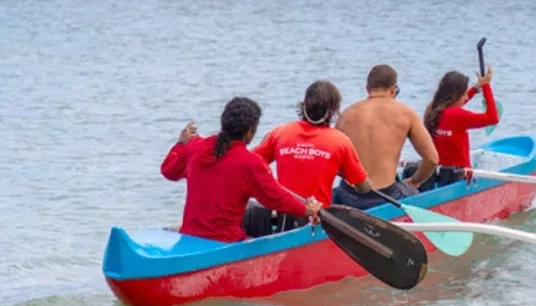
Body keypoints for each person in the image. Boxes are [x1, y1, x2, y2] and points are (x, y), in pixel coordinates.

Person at [160, 97, 322, 243]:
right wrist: (307, 209)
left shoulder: (195, 147)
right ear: (250, 132)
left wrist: (181, 143)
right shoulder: (251, 162)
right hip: (226, 241)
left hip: (190, 236)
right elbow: (276, 198)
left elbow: (168, 171)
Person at [249, 80, 373, 233]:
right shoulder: (341, 142)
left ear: (305, 105)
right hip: (317, 221)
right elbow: (364, 188)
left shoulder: (280, 132)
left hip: (284, 218)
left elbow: (250, 164)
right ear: (333, 110)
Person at [333, 64, 439, 209]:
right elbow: (432, 159)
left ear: (367, 89)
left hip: (349, 195)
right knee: (412, 190)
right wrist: (414, 182)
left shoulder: (346, 114)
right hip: (385, 196)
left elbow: (333, 160)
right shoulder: (405, 113)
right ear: (393, 89)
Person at [405, 66, 498, 191]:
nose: (466, 98)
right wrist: (486, 87)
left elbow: (452, 109)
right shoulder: (458, 115)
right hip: (460, 177)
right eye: (464, 94)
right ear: (455, 96)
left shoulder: (432, 109)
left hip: (435, 174)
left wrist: (475, 89)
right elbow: (493, 118)